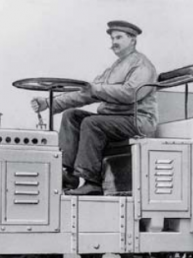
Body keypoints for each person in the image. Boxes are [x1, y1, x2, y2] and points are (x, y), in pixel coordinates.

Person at [31, 20, 158, 195]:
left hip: (138, 120)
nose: (114, 42)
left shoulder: (142, 65)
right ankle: (68, 174)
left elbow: (130, 93)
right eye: (112, 38)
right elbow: (86, 93)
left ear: (133, 40)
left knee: (92, 123)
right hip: (115, 119)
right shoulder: (113, 69)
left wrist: (96, 89)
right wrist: (49, 103)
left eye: (119, 37)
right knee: (72, 115)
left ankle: (92, 182)